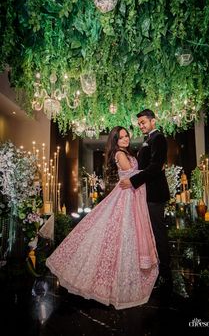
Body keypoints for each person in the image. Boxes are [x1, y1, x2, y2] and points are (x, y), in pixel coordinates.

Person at [46, 126, 158, 310]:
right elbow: (131, 174)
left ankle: (128, 275)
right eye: (121, 137)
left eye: (126, 136)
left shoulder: (127, 153)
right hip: (126, 197)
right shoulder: (120, 155)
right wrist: (153, 167)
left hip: (132, 195)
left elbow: (135, 176)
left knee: (128, 234)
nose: (125, 139)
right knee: (121, 232)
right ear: (115, 141)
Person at [119, 109, 172, 292]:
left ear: (153, 121)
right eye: (139, 123)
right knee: (150, 235)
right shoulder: (148, 140)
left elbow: (155, 167)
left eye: (143, 122)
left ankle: (166, 276)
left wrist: (132, 181)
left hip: (155, 195)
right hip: (145, 194)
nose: (141, 125)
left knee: (158, 234)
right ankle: (156, 272)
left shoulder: (158, 139)